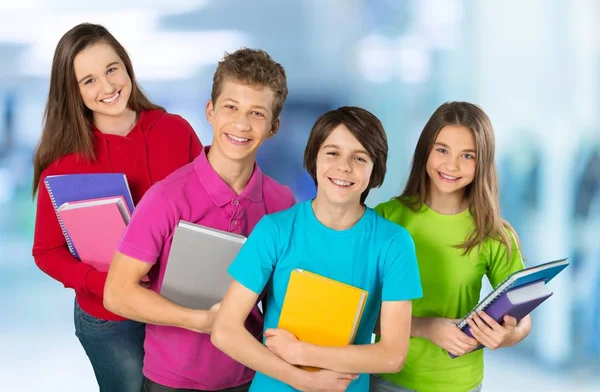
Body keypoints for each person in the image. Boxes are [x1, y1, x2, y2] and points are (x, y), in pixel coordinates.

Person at [103, 48, 296, 392]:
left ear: (273, 127)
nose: (241, 124)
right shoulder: (167, 197)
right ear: (210, 111)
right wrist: (201, 321)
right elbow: (117, 293)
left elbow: (281, 296)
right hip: (172, 381)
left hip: (250, 376)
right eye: (231, 108)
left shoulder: (282, 202)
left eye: (256, 113)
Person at [32, 23, 202, 392]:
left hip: (176, 305)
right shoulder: (64, 166)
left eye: (111, 70)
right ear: (73, 92)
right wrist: (102, 282)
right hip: (110, 317)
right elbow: (46, 252)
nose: (107, 88)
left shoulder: (175, 131)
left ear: (126, 66)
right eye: (89, 80)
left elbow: (206, 208)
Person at [212, 106, 423, 392]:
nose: (344, 166)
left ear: (375, 171)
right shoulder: (275, 230)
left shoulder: (394, 243)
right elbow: (225, 331)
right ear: (314, 159)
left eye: (359, 158)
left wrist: (303, 353)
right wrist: (303, 379)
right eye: (332, 153)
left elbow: (392, 355)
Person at [371, 102, 532, 392]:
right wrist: (428, 328)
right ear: (425, 152)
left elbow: (523, 321)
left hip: (462, 384)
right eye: (442, 150)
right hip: (390, 379)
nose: (452, 165)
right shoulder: (386, 218)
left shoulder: (495, 233)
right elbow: (362, 314)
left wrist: (506, 336)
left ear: (482, 162)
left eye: (467, 155)